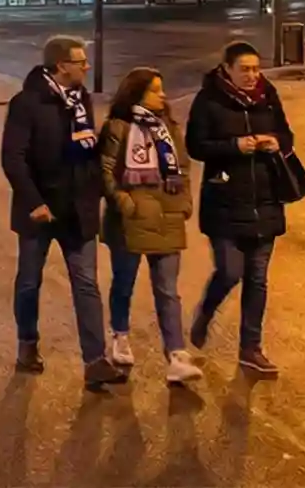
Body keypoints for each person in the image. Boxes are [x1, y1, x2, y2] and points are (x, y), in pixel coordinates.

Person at [3, 36, 125, 388]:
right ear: (61, 66)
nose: (87, 66)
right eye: (80, 62)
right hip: (39, 211)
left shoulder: (80, 100)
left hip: (78, 209)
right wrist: (34, 201)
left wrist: (98, 189)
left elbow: (88, 149)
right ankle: (27, 344)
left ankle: (95, 361)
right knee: (29, 281)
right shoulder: (26, 104)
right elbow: (13, 159)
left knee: (86, 285)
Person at [185, 40, 293, 377]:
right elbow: (195, 145)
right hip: (225, 201)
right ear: (227, 69)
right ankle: (206, 310)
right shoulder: (208, 100)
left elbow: (286, 134)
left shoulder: (267, 96)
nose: (251, 75)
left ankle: (251, 348)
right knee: (231, 271)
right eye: (244, 69)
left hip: (265, 199)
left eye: (255, 68)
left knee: (258, 279)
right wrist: (234, 146)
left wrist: (277, 142)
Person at [99, 67, 198, 384]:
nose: (163, 95)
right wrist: (125, 203)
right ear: (138, 94)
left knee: (168, 291)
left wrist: (184, 202)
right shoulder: (118, 127)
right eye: (156, 90)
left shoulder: (169, 128)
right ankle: (120, 335)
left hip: (167, 215)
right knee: (124, 283)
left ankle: (177, 356)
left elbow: (182, 166)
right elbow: (106, 171)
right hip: (130, 219)